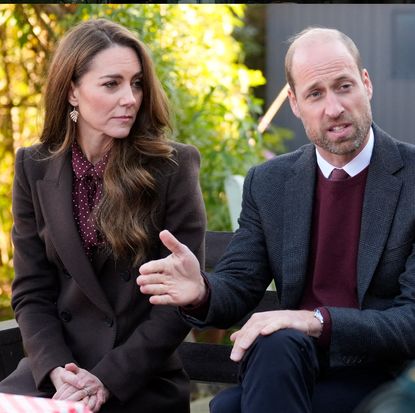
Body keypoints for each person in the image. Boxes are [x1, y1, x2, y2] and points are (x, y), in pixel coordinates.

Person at [137, 26, 415, 413]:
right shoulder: (270, 182)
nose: (333, 107)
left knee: (231, 407)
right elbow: (240, 281)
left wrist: (317, 320)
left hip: (382, 376)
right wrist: (201, 290)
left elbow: (411, 319)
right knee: (274, 347)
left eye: (344, 86)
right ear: (295, 103)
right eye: (315, 94)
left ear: (366, 84)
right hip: (290, 365)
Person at [0, 18, 206, 413]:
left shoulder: (172, 167)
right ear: (73, 91)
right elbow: (31, 291)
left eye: (137, 83)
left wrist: (108, 378)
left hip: (136, 377)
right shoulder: (34, 166)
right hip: (58, 374)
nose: (129, 97)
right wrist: (57, 369)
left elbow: (179, 303)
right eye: (111, 84)